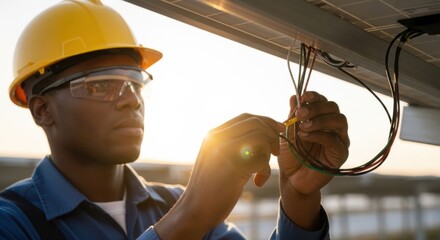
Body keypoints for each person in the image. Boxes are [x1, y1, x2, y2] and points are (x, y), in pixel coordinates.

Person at [0, 0, 349, 239]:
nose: (131, 101)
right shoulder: (13, 222)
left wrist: (298, 199)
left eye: (135, 83)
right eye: (101, 85)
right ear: (42, 109)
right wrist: (187, 222)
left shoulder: (175, 203)